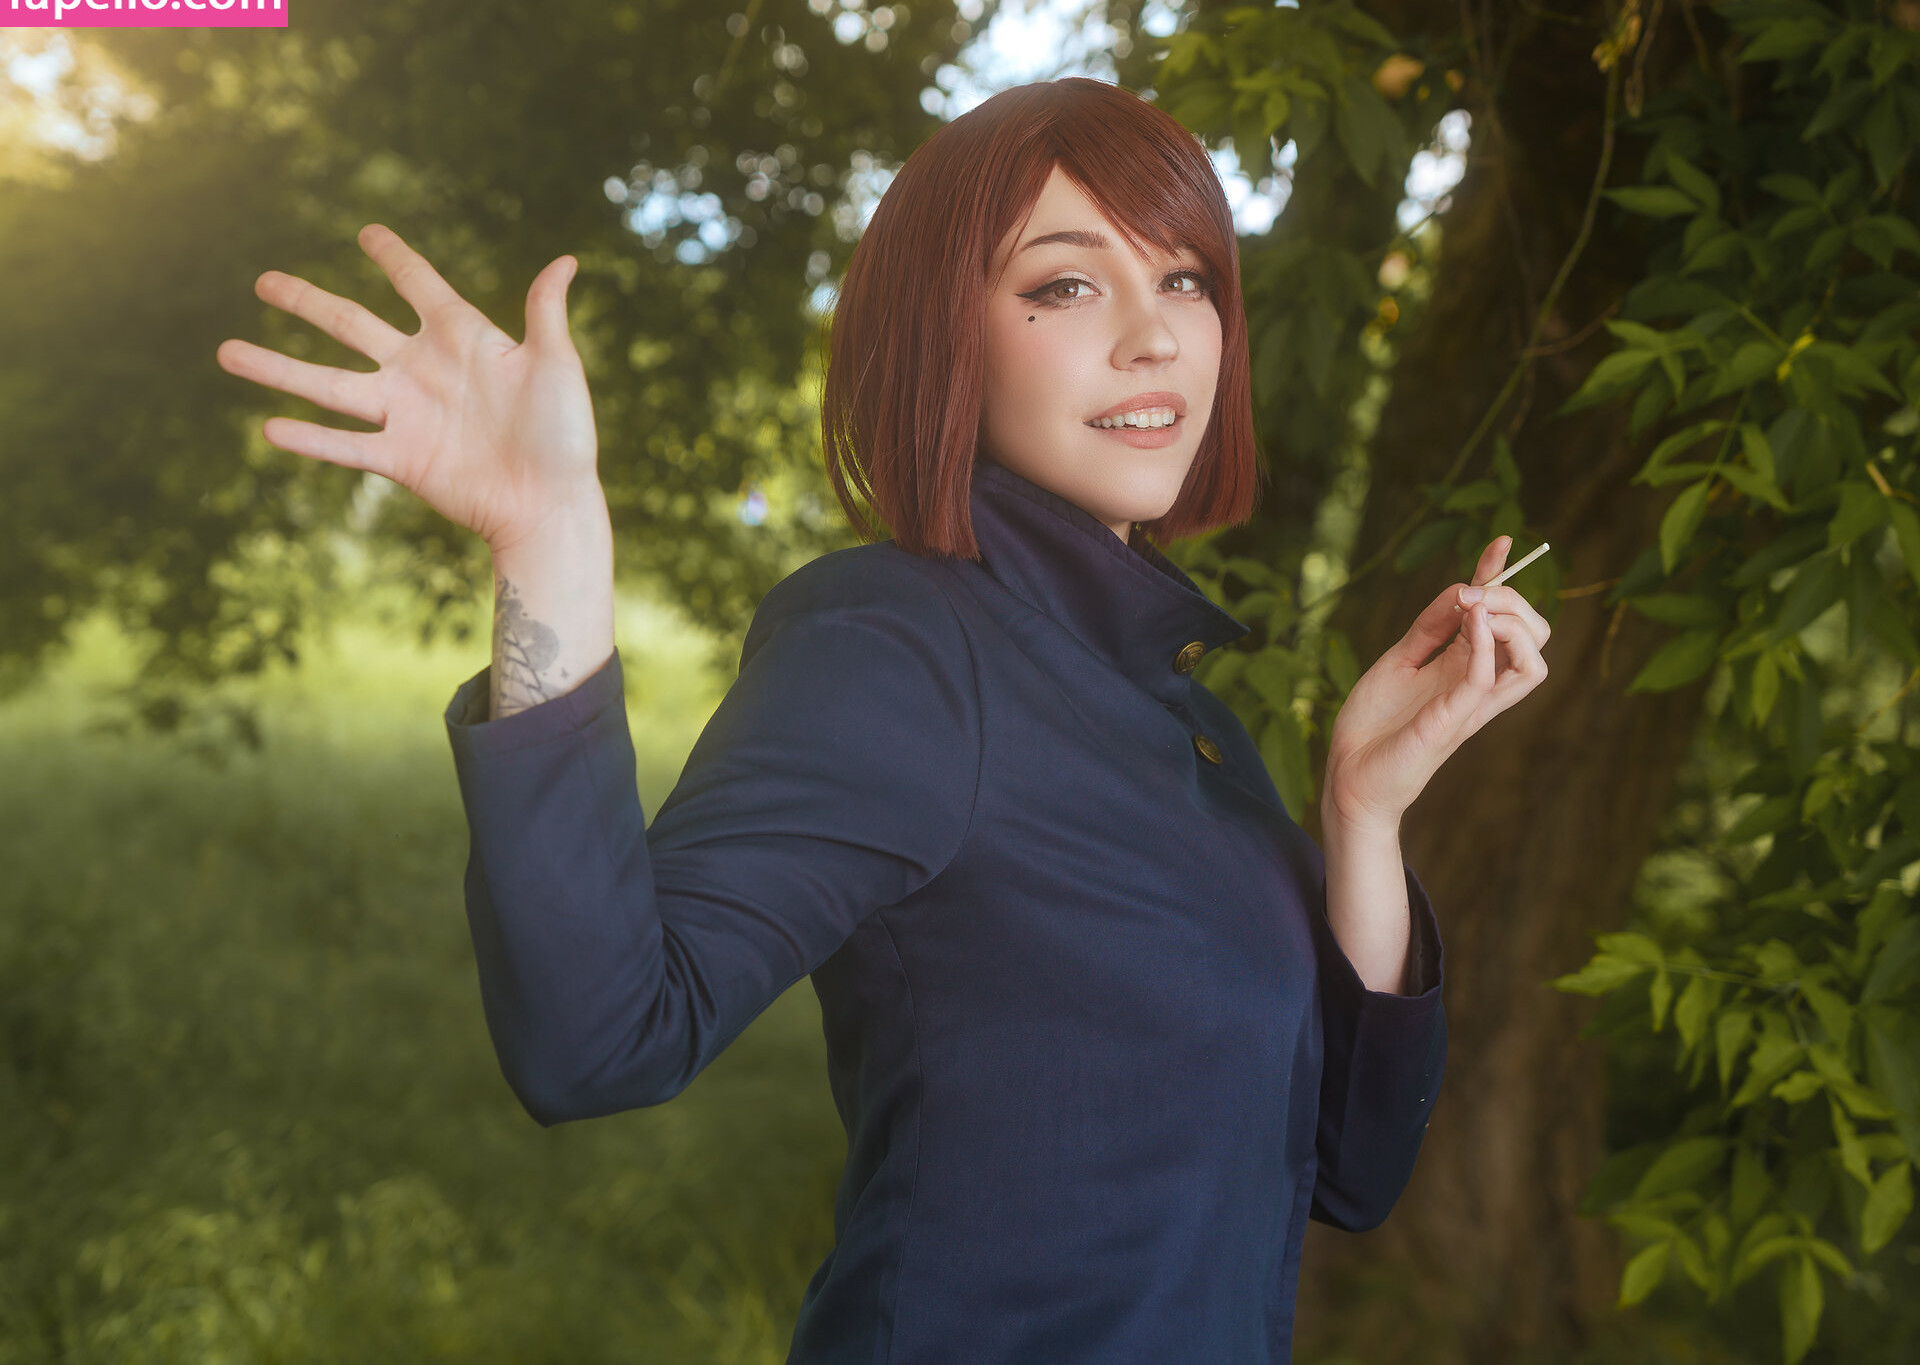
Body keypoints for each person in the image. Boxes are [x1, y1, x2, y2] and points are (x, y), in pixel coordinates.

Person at [216, 75, 1549, 1365]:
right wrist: (548, 539)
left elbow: (1350, 1168)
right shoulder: (899, 646)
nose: (1155, 335)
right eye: (1067, 284)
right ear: (946, 337)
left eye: (1187, 278)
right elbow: (595, 1040)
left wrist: (1364, 812)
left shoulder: (1187, 720)